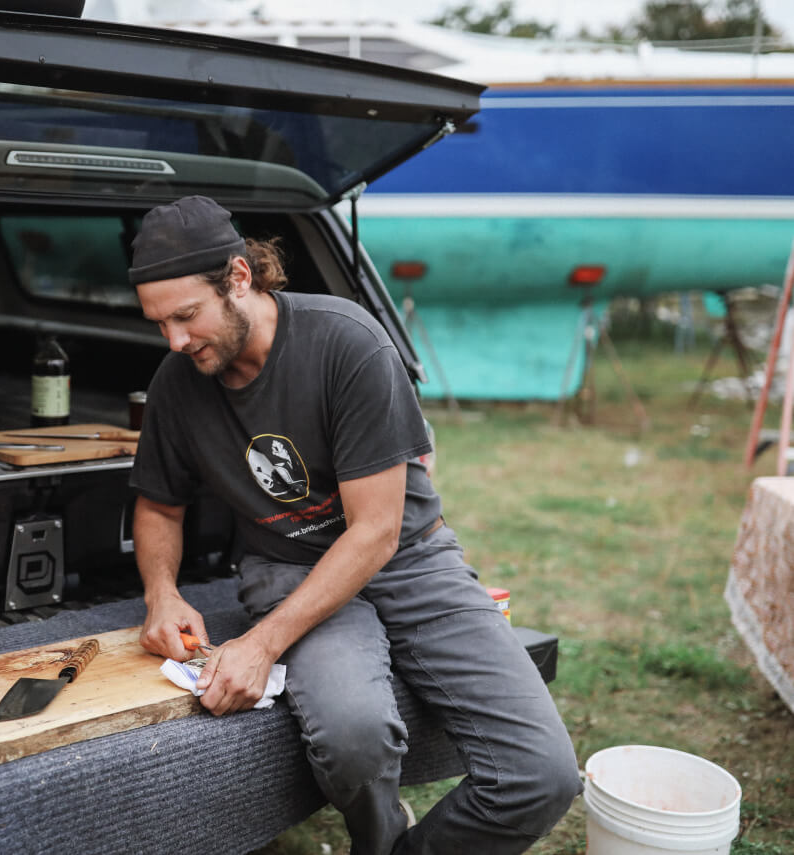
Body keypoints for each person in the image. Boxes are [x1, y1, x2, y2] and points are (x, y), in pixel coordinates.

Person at [127, 196, 582, 855]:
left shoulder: (347, 342)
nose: (173, 339)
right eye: (158, 322)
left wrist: (258, 645)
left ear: (238, 278)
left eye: (185, 316)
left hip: (409, 559)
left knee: (541, 776)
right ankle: (378, 837)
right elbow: (160, 503)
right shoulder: (177, 382)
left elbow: (376, 531)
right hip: (288, 568)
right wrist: (161, 593)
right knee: (354, 734)